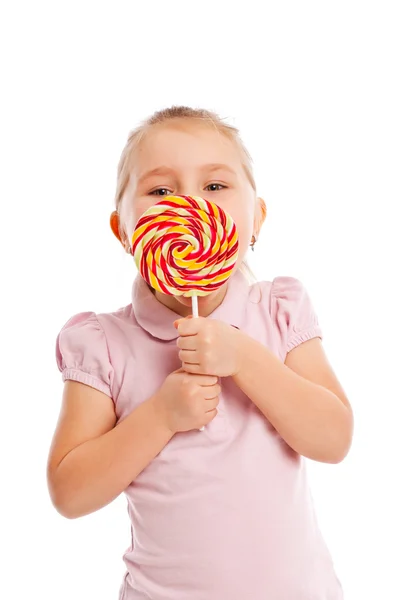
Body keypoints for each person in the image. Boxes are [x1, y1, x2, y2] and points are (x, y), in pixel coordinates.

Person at [47, 106, 353, 600]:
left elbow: (333, 439)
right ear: (124, 231)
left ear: (257, 219)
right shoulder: (103, 344)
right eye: (160, 191)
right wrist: (161, 416)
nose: (188, 203)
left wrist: (246, 359)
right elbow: (70, 492)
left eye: (215, 186)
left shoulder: (279, 311)